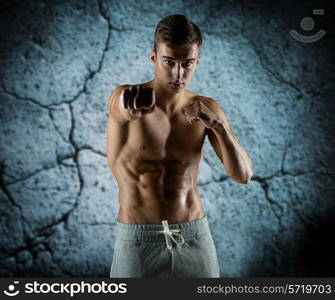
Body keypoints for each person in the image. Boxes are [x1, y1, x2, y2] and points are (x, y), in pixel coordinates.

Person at [107, 14, 253, 278]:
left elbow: (243, 175)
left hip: (193, 235)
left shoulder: (207, 108)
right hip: (139, 241)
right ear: (154, 58)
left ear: (197, 61)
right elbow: (119, 108)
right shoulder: (127, 96)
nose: (178, 73)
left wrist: (217, 125)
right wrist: (128, 106)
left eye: (187, 63)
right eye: (169, 62)